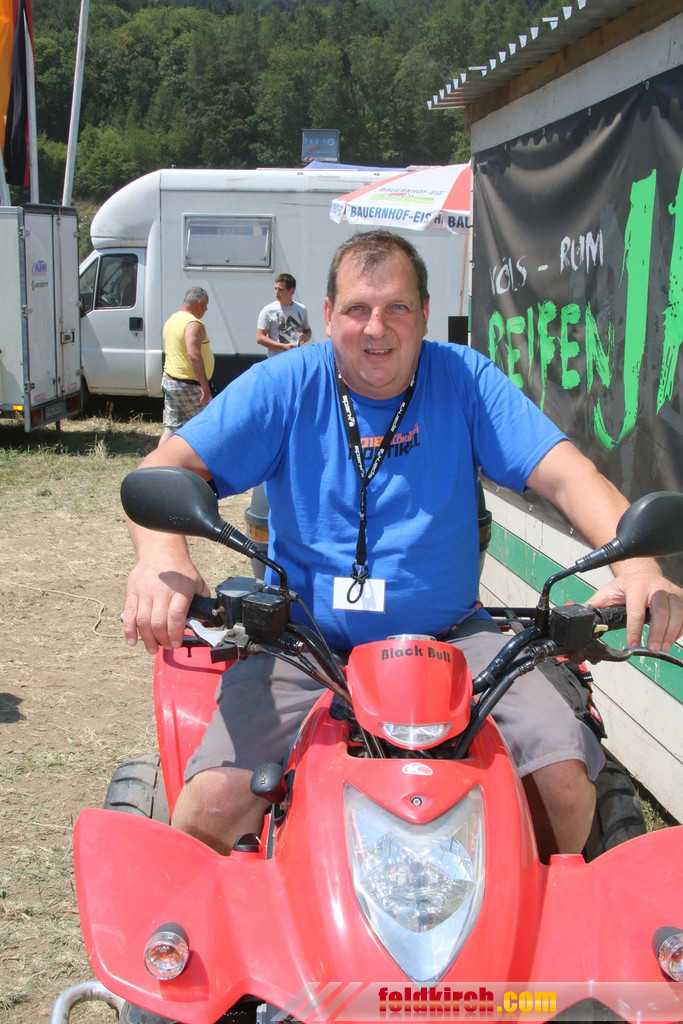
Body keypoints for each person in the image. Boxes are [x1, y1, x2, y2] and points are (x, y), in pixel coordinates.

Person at [124, 230, 683, 863]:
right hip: (303, 644)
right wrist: (163, 559)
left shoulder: (464, 378)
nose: (376, 328)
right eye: (357, 308)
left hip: (456, 640)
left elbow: (567, 474)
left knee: (562, 784)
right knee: (212, 808)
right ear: (327, 314)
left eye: (397, 308)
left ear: (424, 314)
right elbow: (161, 473)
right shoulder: (284, 384)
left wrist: (636, 563)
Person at [158, 287, 215, 447]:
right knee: (209, 425)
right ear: (199, 303)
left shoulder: (172, 319)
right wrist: (205, 386)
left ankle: (158, 460)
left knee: (172, 428)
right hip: (188, 385)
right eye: (206, 305)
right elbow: (193, 354)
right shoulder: (192, 324)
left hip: (170, 380)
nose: (206, 309)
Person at [256, 273, 312, 356]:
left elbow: (308, 331)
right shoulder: (268, 310)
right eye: (275, 289)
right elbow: (260, 338)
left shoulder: (301, 309)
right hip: (276, 358)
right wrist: (282, 346)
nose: (277, 292)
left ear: (291, 291)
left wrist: (306, 336)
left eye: (280, 289)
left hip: (295, 357)